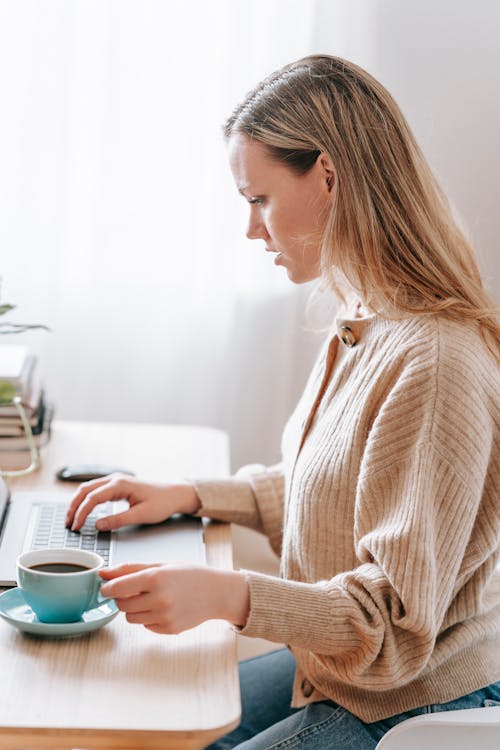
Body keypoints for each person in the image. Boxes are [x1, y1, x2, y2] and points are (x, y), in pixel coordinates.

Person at [65, 55, 500, 749]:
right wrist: (186, 494)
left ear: (327, 176)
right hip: (340, 675)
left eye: (257, 199)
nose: (251, 229)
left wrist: (228, 595)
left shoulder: (435, 361)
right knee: (140, 725)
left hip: (409, 704)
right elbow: (324, 489)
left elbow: (390, 625)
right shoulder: (366, 315)